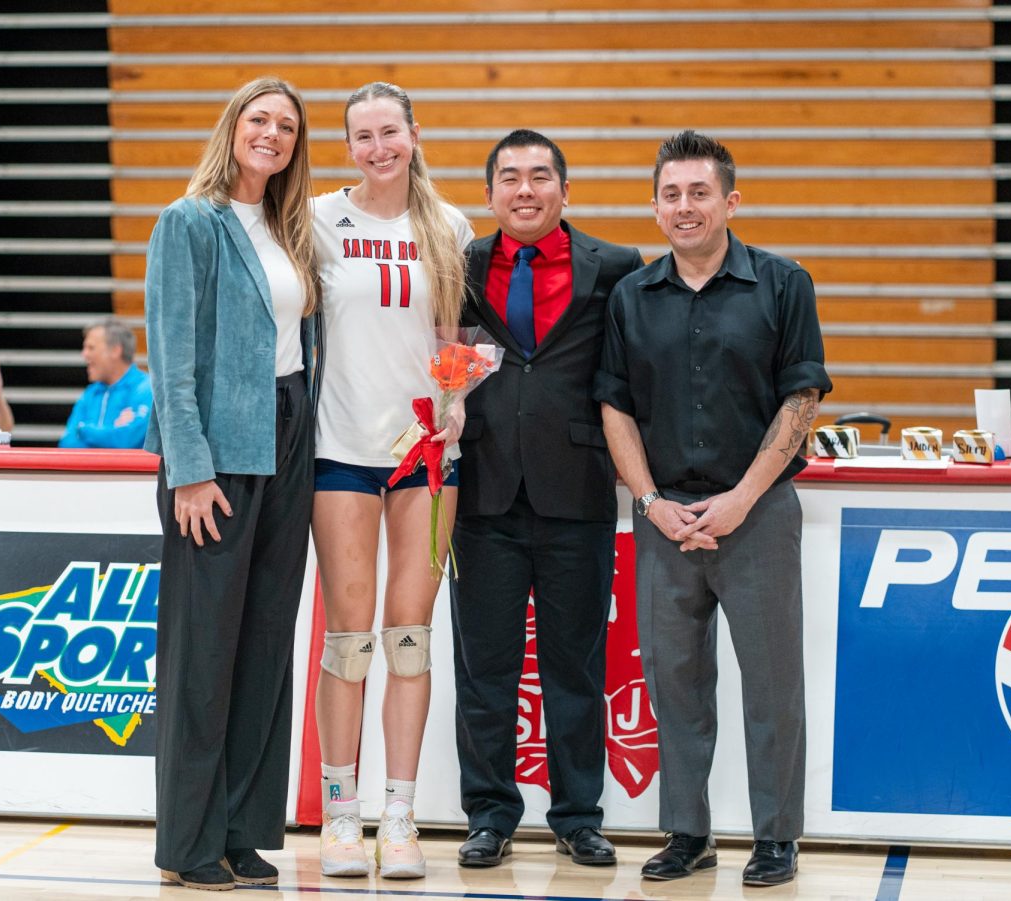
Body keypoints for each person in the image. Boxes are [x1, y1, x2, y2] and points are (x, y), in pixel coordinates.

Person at [595, 130, 831, 887]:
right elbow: (615, 407)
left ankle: (775, 837)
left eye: (700, 193)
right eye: (671, 194)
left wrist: (740, 498)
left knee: (771, 684)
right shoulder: (632, 295)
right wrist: (651, 501)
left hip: (755, 516)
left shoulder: (783, 282)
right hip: (665, 522)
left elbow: (802, 399)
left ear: (731, 200)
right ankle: (687, 831)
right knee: (675, 685)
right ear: (655, 205)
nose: (684, 207)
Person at [143, 76, 319, 892]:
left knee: (263, 651)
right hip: (216, 454)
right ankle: (189, 840)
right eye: (260, 119)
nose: (273, 134)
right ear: (234, 126)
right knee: (203, 653)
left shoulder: (291, 228)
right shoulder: (190, 222)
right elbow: (171, 357)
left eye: (287, 125)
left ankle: (245, 832)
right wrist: (190, 469)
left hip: (290, 441)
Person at [449, 129, 642, 870]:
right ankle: (489, 814)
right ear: (490, 193)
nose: (523, 190)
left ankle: (578, 815)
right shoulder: (460, 263)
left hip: (579, 493)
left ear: (565, 188)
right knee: (485, 669)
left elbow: (632, 373)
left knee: (576, 668)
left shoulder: (617, 267)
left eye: (538, 176)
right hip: (484, 493)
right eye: (509, 178)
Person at [311, 81, 473, 880]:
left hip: (423, 457)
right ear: (348, 148)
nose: (378, 148)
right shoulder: (314, 219)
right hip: (339, 447)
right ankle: (341, 815)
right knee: (348, 639)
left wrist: (457, 400)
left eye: (390, 132)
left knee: (409, 636)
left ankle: (399, 816)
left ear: (413, 133)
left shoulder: (447, 226)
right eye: (362, 136)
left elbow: (453, 337)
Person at [58, 317, 152, 448]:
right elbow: (67, 444)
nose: (84, 354)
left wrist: (83, 430)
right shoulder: (90, 393)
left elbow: (127, 440)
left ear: (115, 350)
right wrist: (112, 432)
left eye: (91, 348)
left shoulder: (146, 389)